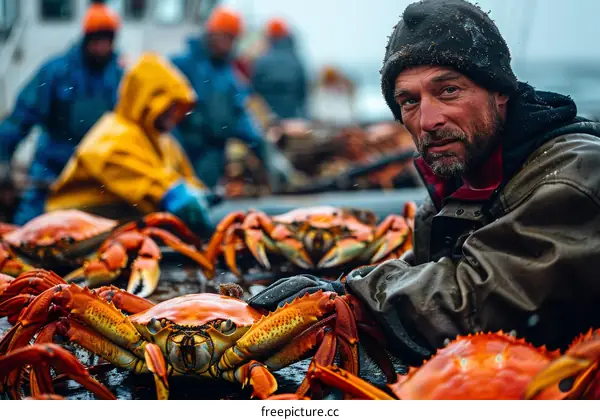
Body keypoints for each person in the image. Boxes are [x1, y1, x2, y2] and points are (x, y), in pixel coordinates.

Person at [248, 0, 600, 366]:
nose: (428, 119)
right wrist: (336, 291)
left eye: (448, 90)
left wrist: (349, 295)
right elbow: (428, 273)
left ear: (500, 91)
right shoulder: (452, 193)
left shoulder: (576, 172)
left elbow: (486, 300)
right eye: (409, 101)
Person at [46, 53, 214, 235]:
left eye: (178, 106)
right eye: (171, 105)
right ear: (148, 99)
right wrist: (174, 195)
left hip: (118, 231)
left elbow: (185, 180)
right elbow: (147, 183)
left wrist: (202, 195)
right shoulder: (112, 137)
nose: (175, 114)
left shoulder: (163, 141)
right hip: (71, 232)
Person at [0, 1, 124, 225]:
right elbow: (21, 118)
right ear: (86, 39)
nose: (101, 47)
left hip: (97, 181)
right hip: (50, 175)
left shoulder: (121, 76)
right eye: (96, 40)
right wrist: (2, 158)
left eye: (106, 40)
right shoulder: (56, 71)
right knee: (25, 230)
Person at [170, 6, 294, 190]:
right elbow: (166, 115)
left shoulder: (230, 77)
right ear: (211, 34)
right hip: (183, 153)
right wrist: (172, 155)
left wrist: (268, 155)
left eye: (232, 38)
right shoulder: (181, 65)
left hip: (211, 161)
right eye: (224, 37)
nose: (227, 44)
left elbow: (242, 118)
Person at [251, 18, 308, 120]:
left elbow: (254, 90)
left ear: (269, 36)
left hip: (267, 118)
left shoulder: (262, 61)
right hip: (292, 117)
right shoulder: (296, 60)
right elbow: (303, 92)